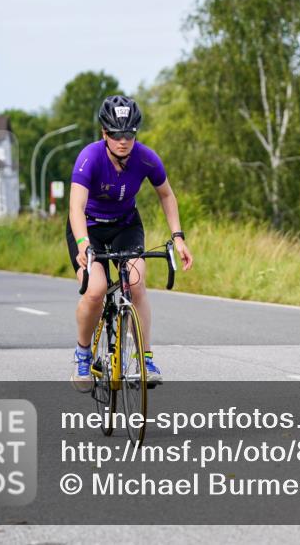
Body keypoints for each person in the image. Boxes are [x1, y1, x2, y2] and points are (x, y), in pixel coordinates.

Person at [67, 95, 193, 392]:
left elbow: (167, 195)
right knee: (95, 290)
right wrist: (84, 244)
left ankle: (145, 359)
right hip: (89, 227)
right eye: (116, 134)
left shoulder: (147, 158)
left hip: (125, 225)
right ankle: (83, 353)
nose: (123, 141)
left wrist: (178, 237)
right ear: (104, 134)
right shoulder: (90, 157)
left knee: (136, 283)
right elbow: (75, 208)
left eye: (129, 134)